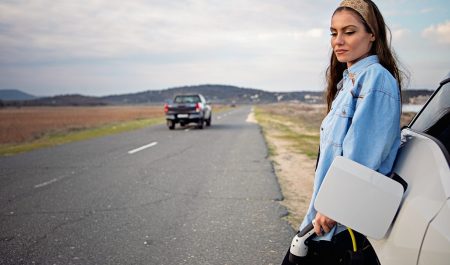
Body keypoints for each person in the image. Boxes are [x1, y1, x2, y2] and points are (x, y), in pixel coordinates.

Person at [282, 0, 405, 264]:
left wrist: (332, 207)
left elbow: (362, 154)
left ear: (372, 35)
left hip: (338, 223)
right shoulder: (347, 82)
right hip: (324, 217)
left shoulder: (375, 79)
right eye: (333, 32)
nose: (338, 40)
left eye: (349, 32)